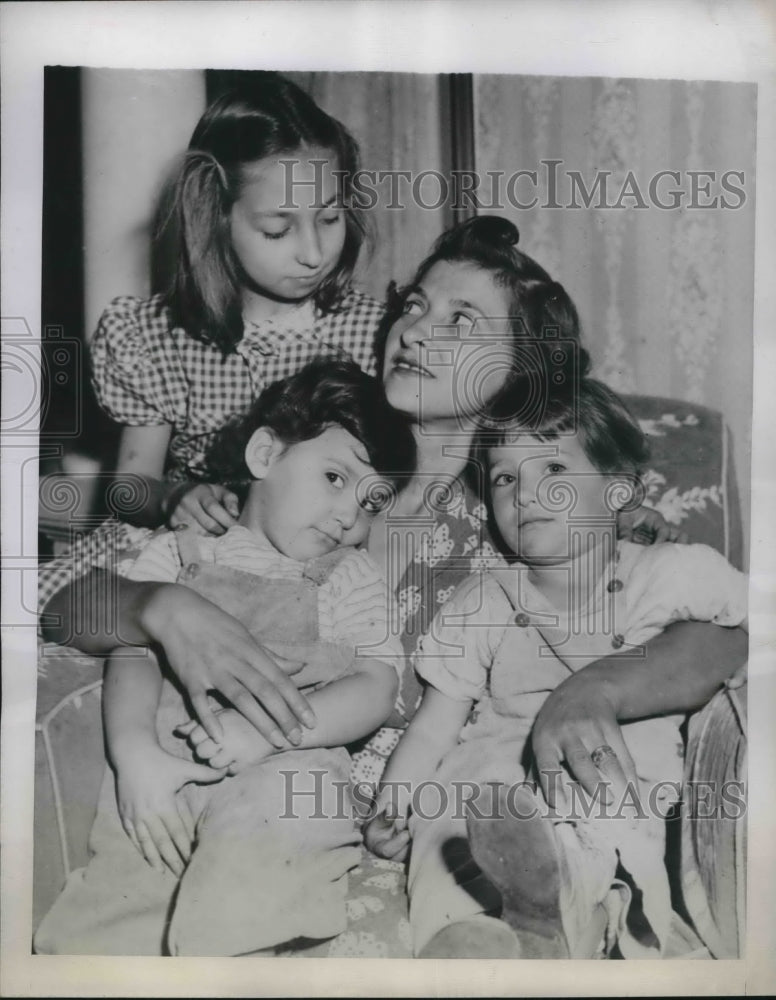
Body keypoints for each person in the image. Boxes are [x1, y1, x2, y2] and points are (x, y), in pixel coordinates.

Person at [41, 218, 747, 957]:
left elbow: (719, 634)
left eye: (461, 321)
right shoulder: (322, 485)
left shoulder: (531, 515)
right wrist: (161, 608)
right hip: (225, 784)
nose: (416, 330)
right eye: (413, 305)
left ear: (522, 369)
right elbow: (66, 603)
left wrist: (596, 689)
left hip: (403, 823)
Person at [34, 359, 415, 956]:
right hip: (170, 763)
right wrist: (136, 757)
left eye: (372, 502)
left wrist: (271, 736)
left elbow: (374, 682)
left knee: (264, 856)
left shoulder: (349, 576)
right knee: (119, 900)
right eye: (336, 479)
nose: (349, 516)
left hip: (289, 762)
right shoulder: (180, 553)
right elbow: (127, 646)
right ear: (265, 455)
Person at [364, 377, 748, 960]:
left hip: (604, 787)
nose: (525, 493)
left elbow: (753, 627)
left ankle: (555, 925)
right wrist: (393, 805)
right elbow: (434, 727)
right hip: (489, 789)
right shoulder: (483, 598)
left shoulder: (670, 574)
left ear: (619, 492)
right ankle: (467, 941)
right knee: (450, 833)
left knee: (596, 847)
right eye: (504, 478)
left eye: (553, 471)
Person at [38, 71, 383, 634]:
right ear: (216, 218)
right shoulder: (156, 336)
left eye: (329, 218)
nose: (314, 252)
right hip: (183, 558)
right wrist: (173, 497)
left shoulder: (368, 335)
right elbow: (129, 488)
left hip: (308, 560)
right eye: (278, 229)